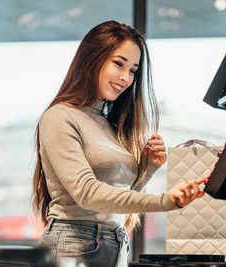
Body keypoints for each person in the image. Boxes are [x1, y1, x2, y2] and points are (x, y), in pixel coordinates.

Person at [32, 20, 207, 267]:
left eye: (133, 70)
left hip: (114, 245)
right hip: (73, 245)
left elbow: (117, 200)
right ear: (92, 58)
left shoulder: (107, 123)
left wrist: (147, 170)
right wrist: (165, 201)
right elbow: (87, 193)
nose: (125, 78)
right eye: (118, 64)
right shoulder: (60, 116)